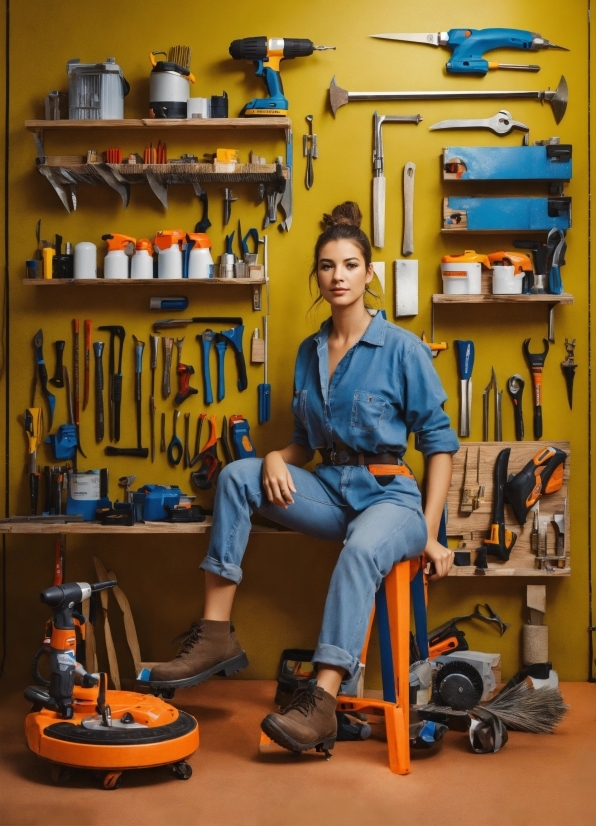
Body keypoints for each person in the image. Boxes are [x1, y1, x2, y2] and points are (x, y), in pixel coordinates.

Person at [150, 201, 459, 756]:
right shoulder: (310, 351)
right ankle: (216, 634)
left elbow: (440, 447)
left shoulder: (402, 349)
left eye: (349, 264)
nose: (337, 276)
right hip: (332, 490)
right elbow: (306, 443)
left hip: (392, 499)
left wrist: (431, 532)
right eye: (326, 266)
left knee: (362, 548)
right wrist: (275, 458)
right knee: (238, 478)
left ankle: (321, 702)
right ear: (316, 275)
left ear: (370, 273)